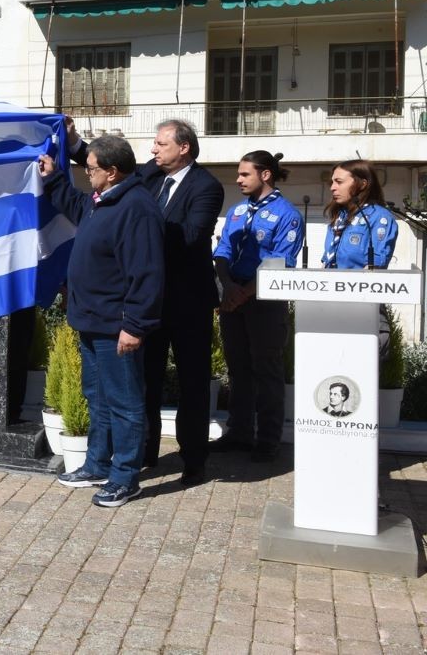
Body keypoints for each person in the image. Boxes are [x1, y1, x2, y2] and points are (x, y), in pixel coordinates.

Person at [67, 118, 223, 487]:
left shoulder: (207, 187)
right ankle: (144, 454)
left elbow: (190, 237)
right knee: (143, 381)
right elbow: (111, 164)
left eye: (160, 144)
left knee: (192, 383)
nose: (153, 150)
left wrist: (138, 229)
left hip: (187, 303)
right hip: (146, 302)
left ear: (183, 147)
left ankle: (194, 461)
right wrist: (73, 143)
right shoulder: (150, 175)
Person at [40, 136, 164, 507]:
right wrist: (54, 177)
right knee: (98, 398)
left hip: (116, 327)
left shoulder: (136, 208)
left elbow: (147, 273)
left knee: (125, 403)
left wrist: (134, 326)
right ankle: (97, 464)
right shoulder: (103, 200)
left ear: (111, 172)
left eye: (91, 168)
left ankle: (125, 478)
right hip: (92, 322)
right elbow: (76, 205)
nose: (87, 173)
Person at [212, 150, 304, 463]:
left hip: (265, 301)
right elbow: (223, 251)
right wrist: (228, 286)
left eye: (244, 174)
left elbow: (281, 262)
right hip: (232, 296)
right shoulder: (237, 211)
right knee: (238, 369)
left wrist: (244, 292)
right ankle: (239, 433)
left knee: (267, 370)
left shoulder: (288, 214)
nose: (238, 180)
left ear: (265, 175)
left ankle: (267, 440)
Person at [322, 160, 398, 270]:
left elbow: (376, 265)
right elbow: (327, 260)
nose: (332, 187)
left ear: (362, 184)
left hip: (358, 280)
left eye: (339, 182)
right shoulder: (340, 216)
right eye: (332, 182)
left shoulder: (379, 217)